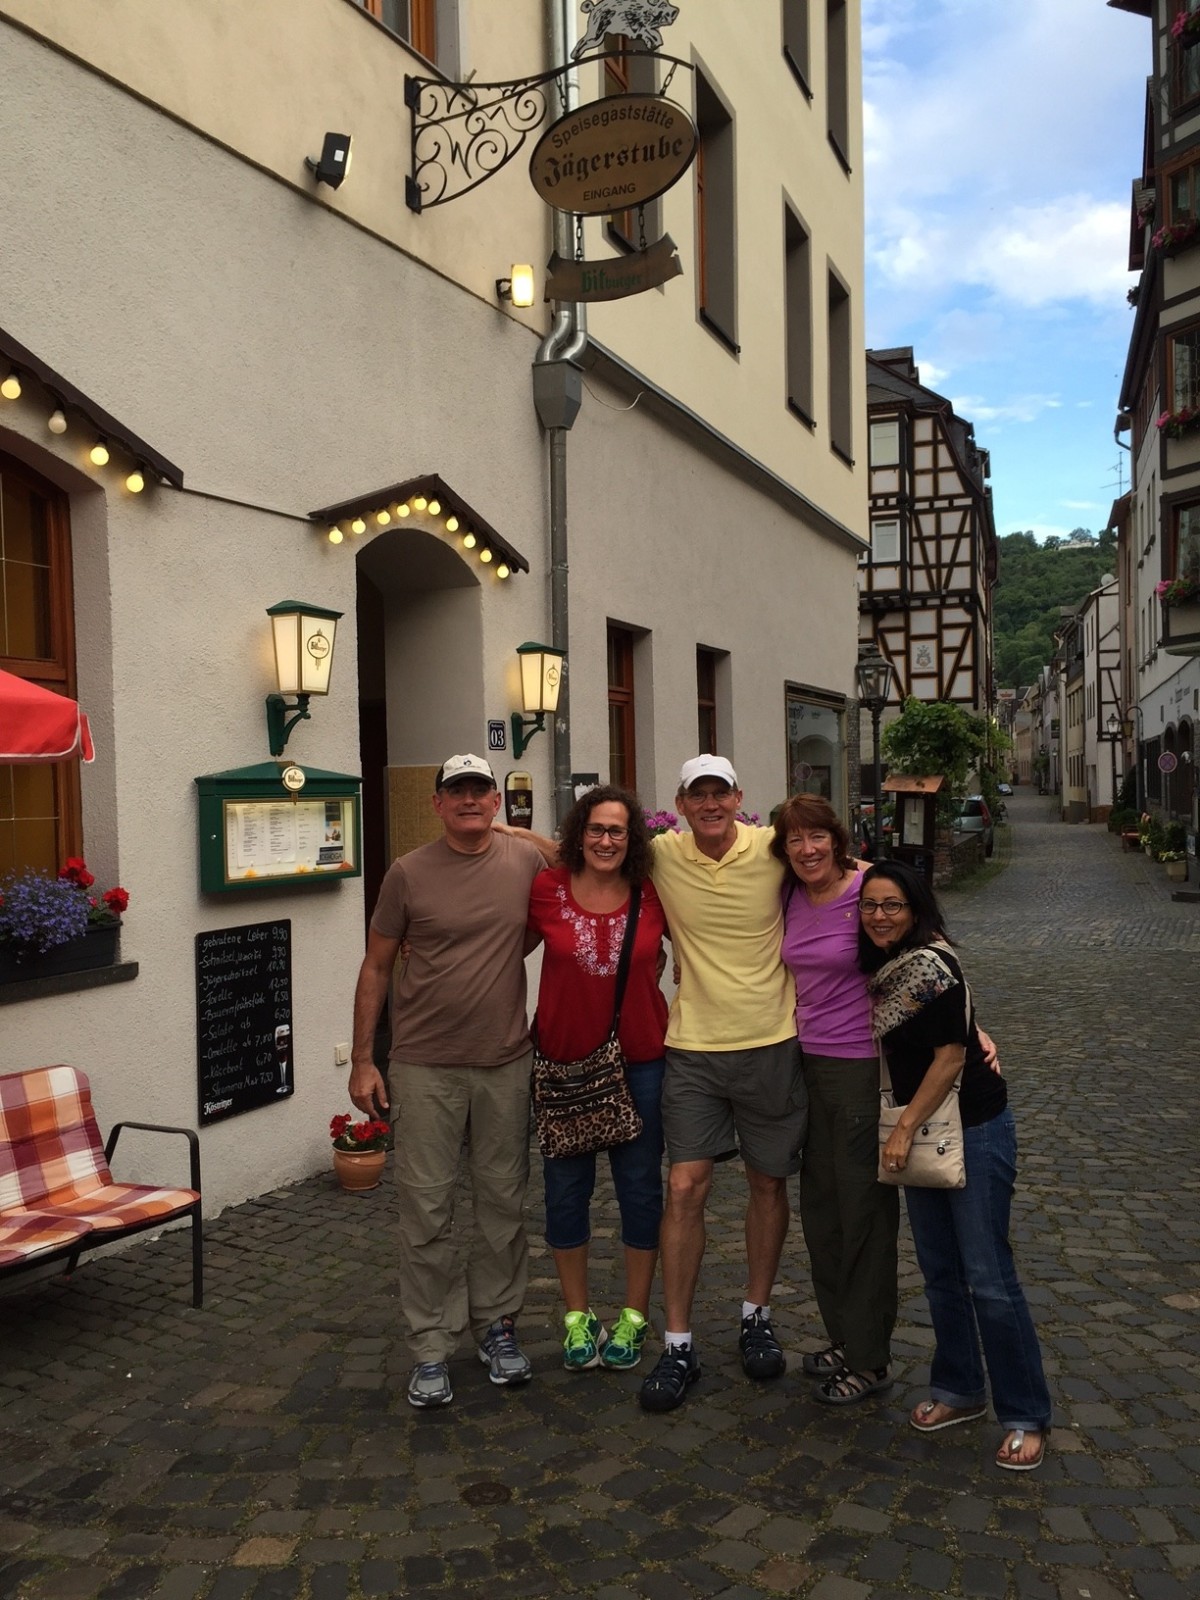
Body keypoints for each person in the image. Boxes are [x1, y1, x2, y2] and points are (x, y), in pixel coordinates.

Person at [347, 753, 546, 1410]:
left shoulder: (523, 861)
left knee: (501, 1206)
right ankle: (431, 1344)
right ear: (436, 803)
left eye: (479, 791)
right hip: (425, 1064)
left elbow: (580, 861)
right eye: (456, 791)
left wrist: (516, 832)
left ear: (495, 800)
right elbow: (376, 967)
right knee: (426, 1210)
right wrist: (363, 1059)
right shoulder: (407, 874)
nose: (468, 800)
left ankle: (496, 1327)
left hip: (505, 1061)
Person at [858, 859, 1051, 1471]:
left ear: (915, 910)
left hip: (972, 1129)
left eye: (892, 905)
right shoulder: (881, 967)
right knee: (941, 1272)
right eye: (870, 904)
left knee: (990, 1279)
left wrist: (902, 1132)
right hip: (927, 1132)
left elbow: (948, 1058)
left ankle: (1024, 1415)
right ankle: (959, 1389)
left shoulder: (931, 967)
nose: (879, 915)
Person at [638, 755, 806, 1413]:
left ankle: (755, 1313)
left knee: (767, 1182)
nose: (709, 804)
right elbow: (577, 851)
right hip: (694, 1049)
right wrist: (500, 831)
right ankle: (677, 1341)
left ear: (740, 797)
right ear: (680, 804)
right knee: (683, 1187)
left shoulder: (775, 847)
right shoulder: (661, 855)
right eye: (696, 794)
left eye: (720, 792)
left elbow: (856, 882)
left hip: (772, 1042)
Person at [526, 785, 669, 1372]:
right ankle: (578, 1318)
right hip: (562, 1064)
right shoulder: (547, 890)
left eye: (617, 831)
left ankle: (633, 1319)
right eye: (596, 829)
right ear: (577, 835)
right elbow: (498, 945)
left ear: (632, 839)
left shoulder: (654, 891)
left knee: (639, 1191)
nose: (606, 841)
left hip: (641, 1062)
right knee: (565, 1194)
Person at [770, 794, 900, 1405]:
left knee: (864, 1214)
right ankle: (845, 1337)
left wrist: (970, 1027)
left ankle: (871, 1359)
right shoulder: (791, 895)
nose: (807, 849)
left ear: (837, 838)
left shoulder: (870, 889)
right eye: (794, 840)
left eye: (816, 836)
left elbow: (931, 954)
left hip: (860, 1067)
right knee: (821, 1210)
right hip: (805, 1063)